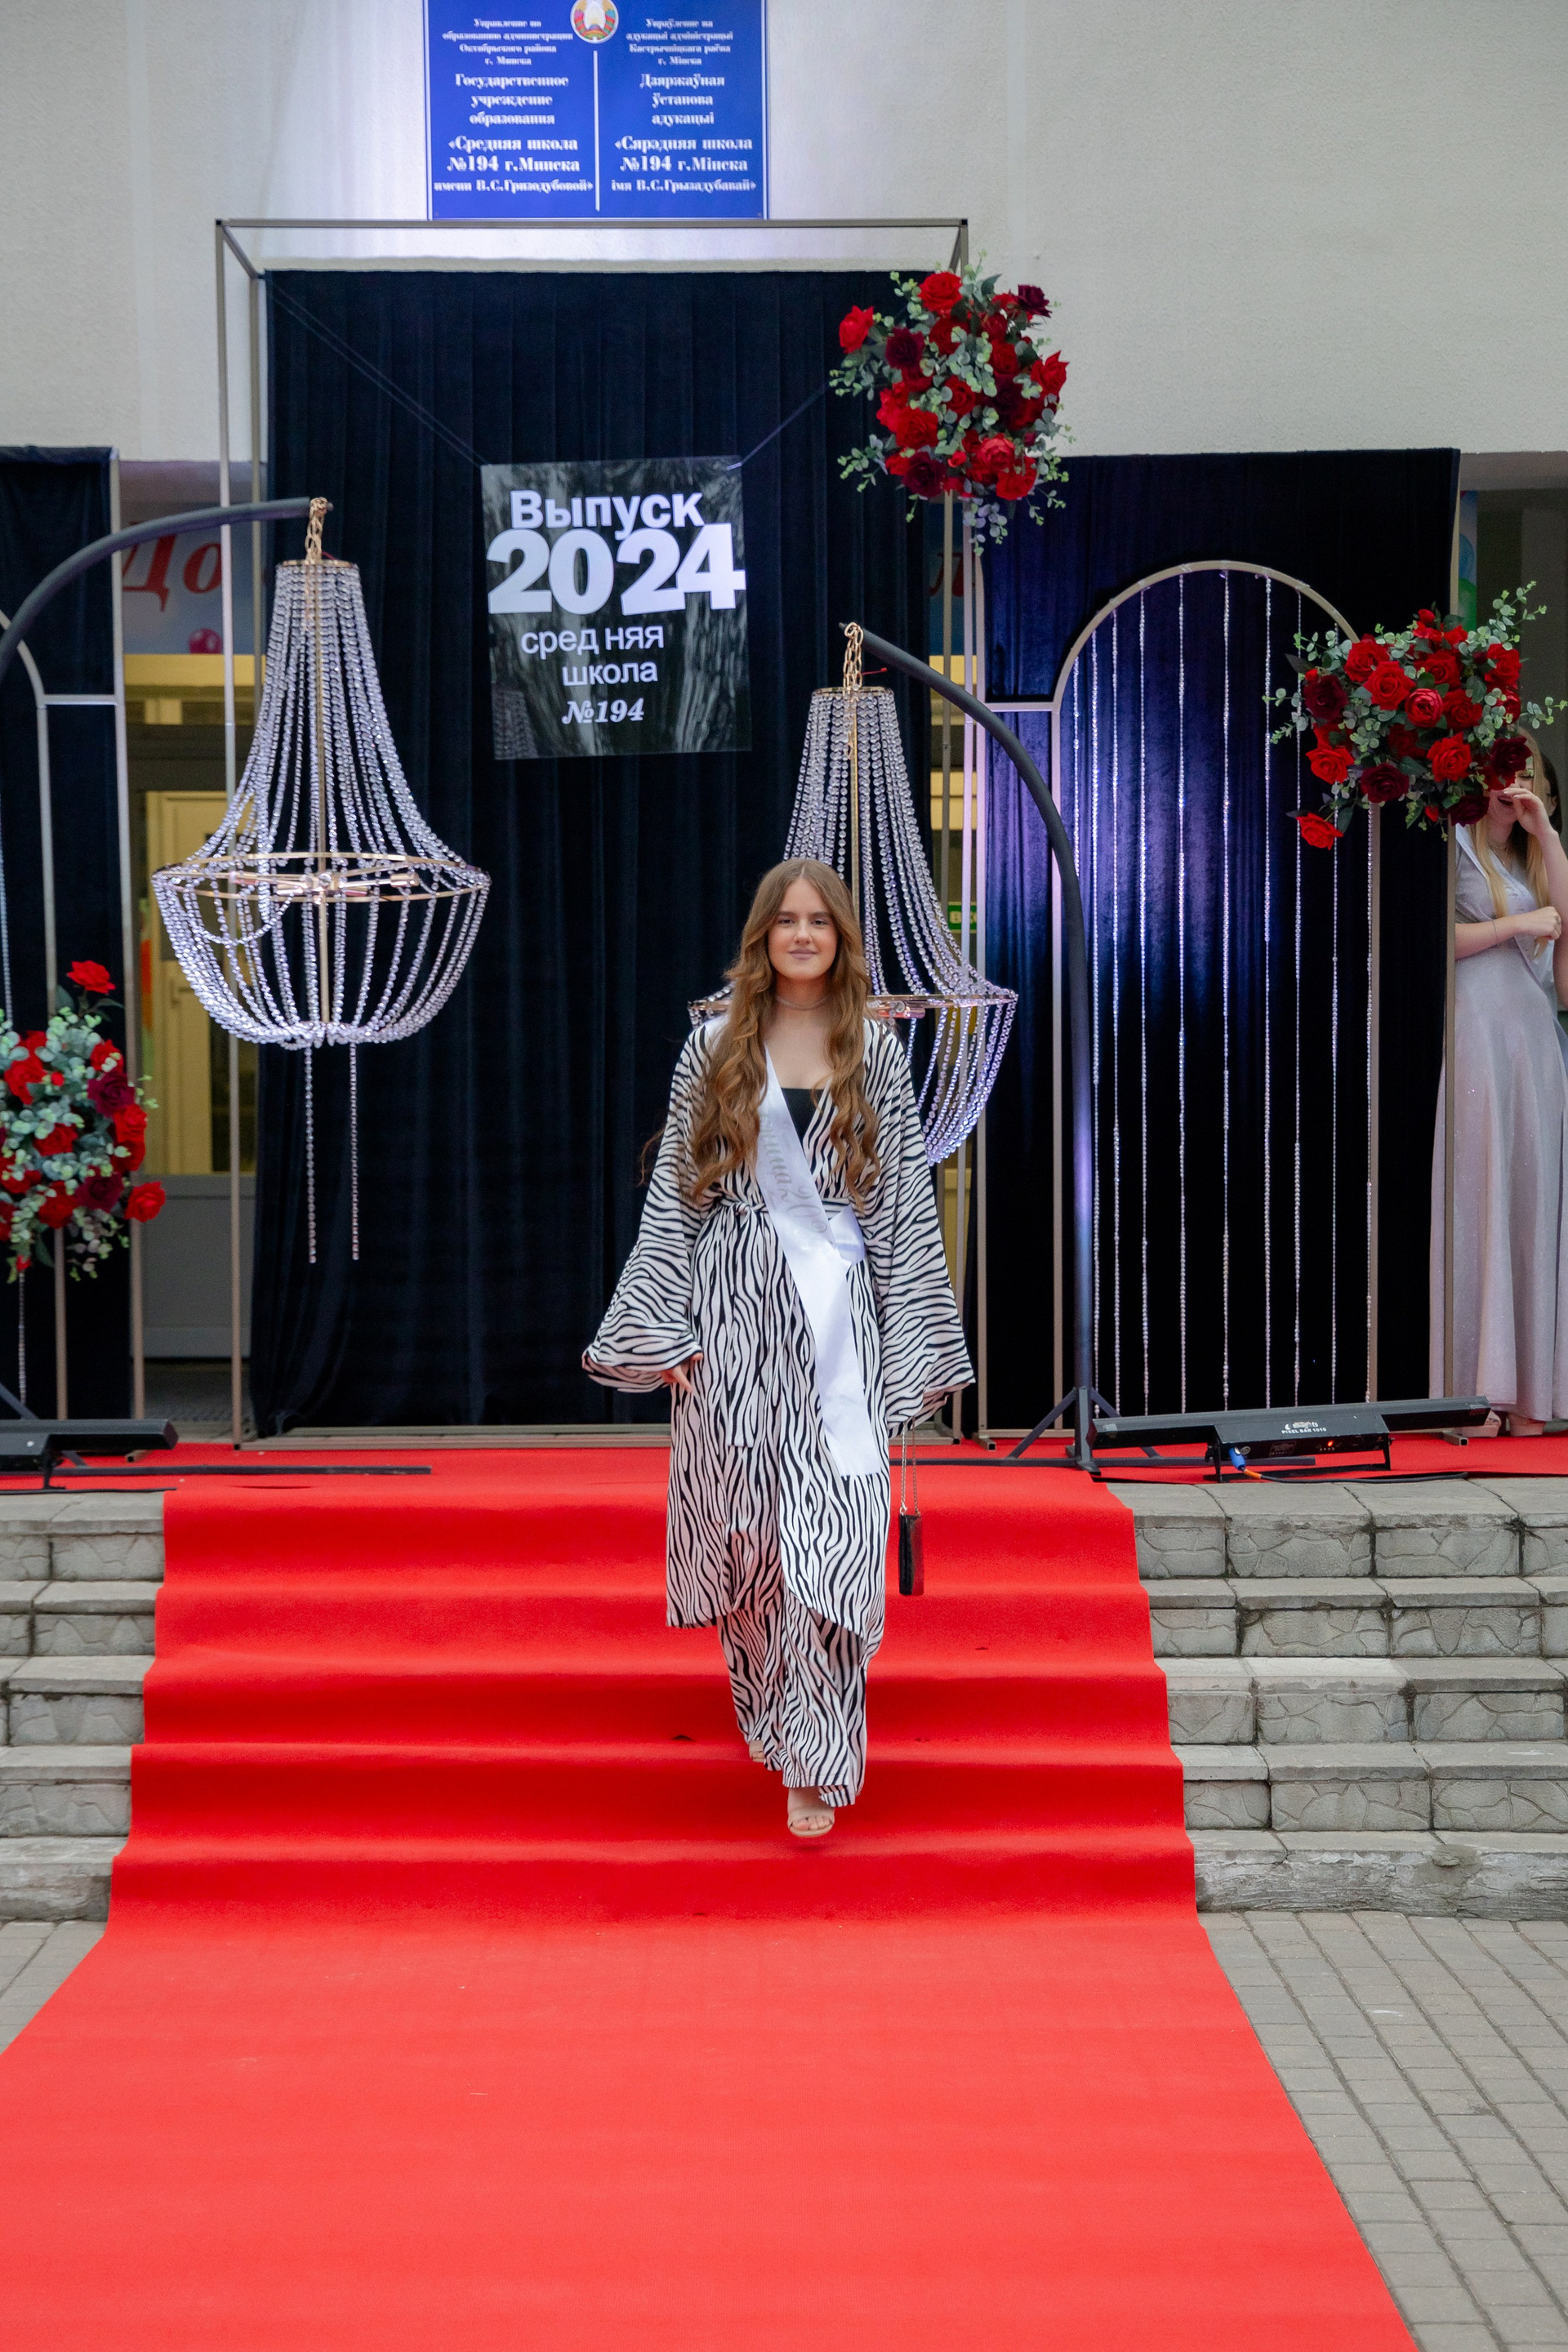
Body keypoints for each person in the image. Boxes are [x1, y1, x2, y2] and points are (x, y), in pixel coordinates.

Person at [585, 857, 971, 1837]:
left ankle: (817, 1757)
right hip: (733, 1318)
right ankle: (773, 1712)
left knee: (833, 1539)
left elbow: (902, 1209)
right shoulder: (713, 1047)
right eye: (787, 919)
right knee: (752, 1539)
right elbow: (676, 1196)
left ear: (842, 937)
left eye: (820, 921)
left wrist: (911, 1347)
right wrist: (663, 1327)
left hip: (838, 1325)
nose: (803, 934)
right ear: (762, 934)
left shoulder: (875, 1051)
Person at [1432, 740, 1568, 1434]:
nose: (1514, 784)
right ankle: (1476, 1389)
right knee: (1480, 1190)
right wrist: (1516, 923)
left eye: (1527, 774)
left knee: (1529, 1200)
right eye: (1503, 772)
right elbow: (1431, 941)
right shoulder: (1455, 845)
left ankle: (1530, 1393)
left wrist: (1548, 836)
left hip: (1531, 1043)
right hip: (1477, 1035)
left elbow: (1565, 960)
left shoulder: (1537, 861)